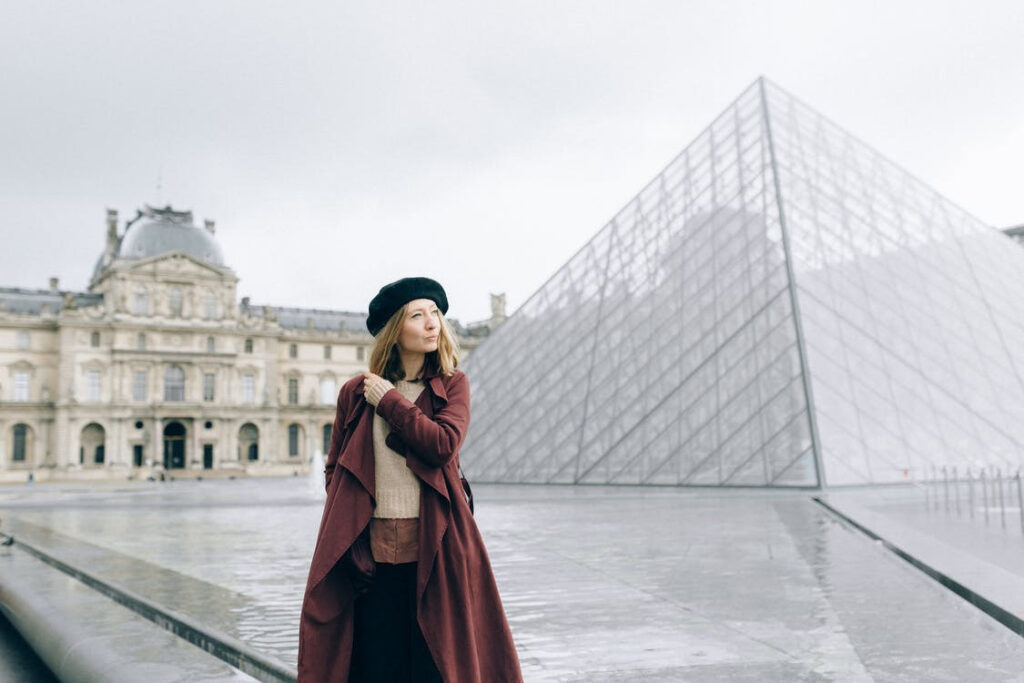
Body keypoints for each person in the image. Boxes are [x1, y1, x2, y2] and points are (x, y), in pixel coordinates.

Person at [298, 277, 522, 682]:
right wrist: (351, 536)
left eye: (435, 313)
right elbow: (335, 469)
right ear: (394, 329)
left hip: (437, 547)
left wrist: (389, 400)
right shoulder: (354, 392)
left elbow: (442, 445)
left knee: (436, 664)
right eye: (418, 315)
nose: (432, 322)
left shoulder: (452, 385)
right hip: (372, 554)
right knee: (376, 666)